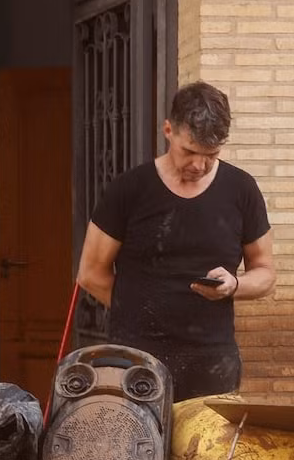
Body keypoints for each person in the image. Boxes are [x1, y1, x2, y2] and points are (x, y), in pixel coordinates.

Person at [76, 81, 276, 401]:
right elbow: (90, 273)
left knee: (208, 452)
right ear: (168, 130)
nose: (198, 165)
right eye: (189, 151)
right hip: (136, 361)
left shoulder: (242, 190)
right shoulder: (128, 189)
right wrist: (142, 309)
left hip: (212, 361)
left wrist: (235, 285)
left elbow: (266, 273)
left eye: (211, 155)